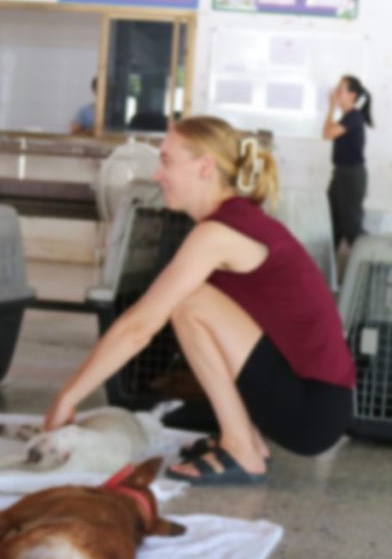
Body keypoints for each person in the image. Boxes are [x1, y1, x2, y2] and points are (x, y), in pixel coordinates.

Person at [43, 116, 355, 485]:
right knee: (191, 300)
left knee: (189, 302)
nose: (159, 174)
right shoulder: (236, 220)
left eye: (167, 161)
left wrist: (67, 397)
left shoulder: (218, 233)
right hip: (318, 403)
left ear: (205, 165)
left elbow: (138, 328)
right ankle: (245, 440)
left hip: (311, 410)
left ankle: (242, 448)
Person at [323, 75, 372, 252]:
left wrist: (331, 107)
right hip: (340, 174)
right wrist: (332, 108)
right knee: (332, 222)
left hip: (351, 176)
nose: (336, 92)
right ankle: (331, 273)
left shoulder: (354, 117)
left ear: (352, 95)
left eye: (340, 89)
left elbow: (328, 134)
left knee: (352, 230)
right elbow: (326, 133)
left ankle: (377, 255)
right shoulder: (346, 117)